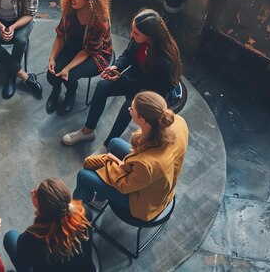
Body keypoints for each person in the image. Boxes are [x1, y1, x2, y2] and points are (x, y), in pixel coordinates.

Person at [62, 8, 182, 152]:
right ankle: (88, 130)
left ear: (150, 37)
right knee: (102, 87)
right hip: (136, 77)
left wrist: (124, 79)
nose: (131, 35)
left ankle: (108, 145)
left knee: (128, 106)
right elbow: (127, 55)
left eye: (136, 33)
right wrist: (116, 67)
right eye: (132, 31)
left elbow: (154, 85)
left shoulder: (165, 61)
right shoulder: (138, 39)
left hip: (153, 90)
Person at [73, 91, 189, 222]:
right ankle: (100, 199)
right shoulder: (177, 121)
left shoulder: (147, 164)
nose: (129, 109)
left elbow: (125, 185)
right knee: (114, 142)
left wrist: (106, 162)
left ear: (142, 120)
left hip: (143, 202)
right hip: (157, 181)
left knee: (84, 175)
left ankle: (76, 215)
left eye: (132, 108)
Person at [46, 0, 112, 115]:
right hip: (73, 45)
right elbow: (61, 35)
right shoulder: (69, 10)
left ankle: (71, 93)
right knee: (51, 75)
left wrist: (67, 68)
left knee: (70, 75)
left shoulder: (99, 21)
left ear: (89, 1)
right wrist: (52, 58)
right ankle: (56, 91)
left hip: (95, 53)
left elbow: (88, 51)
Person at [4, 178, 95, 272]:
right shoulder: (83, 212)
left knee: (10, 236)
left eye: (35, 193)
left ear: (43, 210)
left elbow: (25, 261)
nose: (32, 191)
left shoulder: (34, 237)